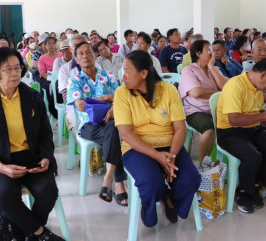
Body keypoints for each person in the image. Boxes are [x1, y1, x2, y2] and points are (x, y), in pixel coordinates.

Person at [114, 50, 200, 227]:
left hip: (170, 146)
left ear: (144, 73)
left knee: (191, 179)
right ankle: (150, 207)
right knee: (151, 183)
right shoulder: (122, 93)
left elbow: (179, 128)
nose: (124, 76)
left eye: (127, 72)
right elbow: (125, 134)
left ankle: (170, 199)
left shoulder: (168, 90)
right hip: (137, 148)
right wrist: (158, 156)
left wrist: (171, 157)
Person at [0, 47, 64, 241]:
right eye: (8, 69)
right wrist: (2, 168)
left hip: (31, 157)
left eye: (18, 68)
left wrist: (45, 157)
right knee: (5, 194)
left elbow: (45, 133)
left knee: (49, 192)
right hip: (2, 160)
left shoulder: (33, 97)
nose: (15, 73)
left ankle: (19, 230)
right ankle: (40, 234)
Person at [216, 58, 266, 213]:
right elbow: (233, 119)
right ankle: (243, 193)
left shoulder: (257, 87)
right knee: (253, 156)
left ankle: (256, 185)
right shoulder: (235, 85)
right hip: (230, 132)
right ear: (263, 75)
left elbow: (260, 111)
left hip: (253, 128)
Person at [67, 42, 128, 207]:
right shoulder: (75, 79)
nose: (85, 56)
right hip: (88, 125)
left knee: (113, 129)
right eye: (81, 54)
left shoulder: (107, 75)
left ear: (95, 55)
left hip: (110, 119)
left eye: (89, 52)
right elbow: (80, 105)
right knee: (115, 133)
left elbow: (120, 97)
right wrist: (106, 98)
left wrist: (111, 106)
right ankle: (117, 182)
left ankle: (108, 180)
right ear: (76, 59)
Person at [179, 40, 228, 163]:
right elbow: (196, 92)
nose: (211, 53)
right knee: (209, 129)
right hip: (196, 112)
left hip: (216, 110)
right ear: (198, 53)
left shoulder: (214, 68)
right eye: (208, 50)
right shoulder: (189, 70)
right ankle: (203, 164)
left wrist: (211, 67)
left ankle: (223, 160)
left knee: (233, 123)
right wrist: (219, 93)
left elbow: (226, 87)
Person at [38, 37, 60, 119]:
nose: (51, 45)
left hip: (59, 78)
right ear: (45, 46)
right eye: (49, 43)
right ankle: (53, 108)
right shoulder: (42, 58)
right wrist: (52, 79)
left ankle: (61, 106)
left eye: (53, 43)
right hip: (46, 78)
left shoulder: (60, 56)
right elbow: (43, 73)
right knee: (51, 86)